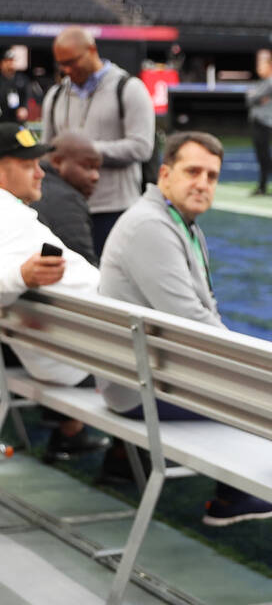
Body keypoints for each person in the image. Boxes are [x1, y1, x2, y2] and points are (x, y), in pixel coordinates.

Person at [97, 131, 272, 526]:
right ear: (164, 174)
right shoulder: (151, 226)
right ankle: (242, 499)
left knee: (262, 387)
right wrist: (252, 369)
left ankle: (237, 493)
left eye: (212, 176)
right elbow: (192, 322)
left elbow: (201, 315)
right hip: (139, 387)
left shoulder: (178, 224)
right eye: (192, 171)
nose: (203, 183)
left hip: (145, 374)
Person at [0, 123, 110, 461]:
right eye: (27, 165)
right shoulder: (11, 217)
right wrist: (18, 276)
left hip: (61, 354)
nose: (40, 173)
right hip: (83, 359)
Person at [43, 27, 155, 255]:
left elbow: (142, 147)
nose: (67, 70)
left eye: (72, 62)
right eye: (61, 64)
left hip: (115, 209)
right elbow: (47, 151)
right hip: (66, 209)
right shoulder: (55, 95)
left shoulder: (129, 89)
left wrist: (85, 152)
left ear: (92, 50)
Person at [32, 132, 102, 266]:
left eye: (97, 168)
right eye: (87, 166)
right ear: (57, 161)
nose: (95, 176)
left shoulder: (46, 188)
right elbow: (83, 265)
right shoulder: (66, 200)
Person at [247, 49, 272, 196]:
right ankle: (263, 186)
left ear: (271, 67)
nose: (259, 68)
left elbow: (252, 97)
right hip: (258, 121)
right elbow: (250, 98)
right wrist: (255, 97)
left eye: (262, 65)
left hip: (265, 121)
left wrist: (254, 96)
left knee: (266, 155)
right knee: (261, 156)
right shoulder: (264, 83)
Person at [1, 48, 32, 124]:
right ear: (1, 64)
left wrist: (24, 108)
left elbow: (27, 97)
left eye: (12, 61)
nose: (10, 64)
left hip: (16, 121)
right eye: (7, 61)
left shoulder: (22, 80)